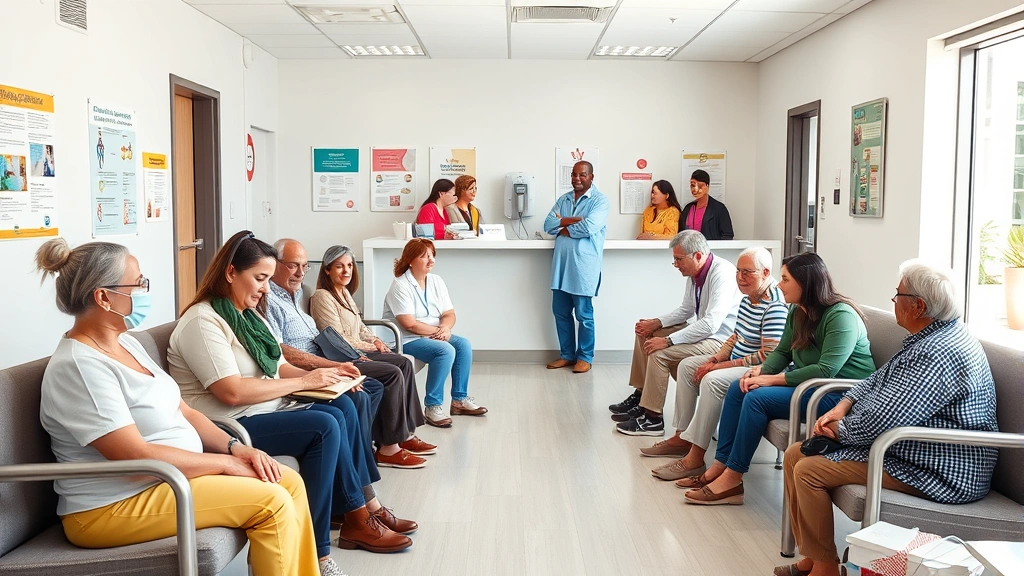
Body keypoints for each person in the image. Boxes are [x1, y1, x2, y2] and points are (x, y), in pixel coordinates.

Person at [33, 238, 325, 576]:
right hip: (111, 506)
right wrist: (223, 465)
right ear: (103, 297)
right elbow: (134, 458)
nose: (145, 290)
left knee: (288, 481)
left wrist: (235, 449)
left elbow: (184, 411)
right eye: (138, 283)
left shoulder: (127, 343)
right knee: (270, 501)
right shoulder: (80, 367)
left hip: (163, 483)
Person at [167, 230, 414, 561]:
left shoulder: (247, 316)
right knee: (323, 426)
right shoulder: (203, 321)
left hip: (264, 409)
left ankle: (362, 509)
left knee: (342, 403)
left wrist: (329, 376)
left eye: (268, 279)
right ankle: (319, 551)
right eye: (260, 278)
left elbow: (280, 367)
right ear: (230, 273)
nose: (267, 288)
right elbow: (232, 391)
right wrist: (306, 381)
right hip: (230, 424)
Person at [779, 261, 998, 576]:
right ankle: (816, 558)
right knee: (794, 454)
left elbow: (888, 421)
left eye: (898, 296)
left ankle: (825, 569)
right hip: (907, 449)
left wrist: (839, 431)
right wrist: (844, 404)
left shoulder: (938, 351)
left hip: (939, 469)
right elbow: (878, 379)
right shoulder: (929, 336)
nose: (893, 301)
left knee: (809, 469)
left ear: (918, 305)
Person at [677, 252, 876, 505]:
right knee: (739, 388)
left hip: (838, 396)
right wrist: (762, 371)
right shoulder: (797, 310)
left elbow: (826, 370)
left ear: (806, 283)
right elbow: (782, 351)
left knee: (757, 398)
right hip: (809, 388)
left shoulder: (841, 316)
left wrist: (771, 380)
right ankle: (720, 466)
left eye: (785, 279)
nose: (780, 285)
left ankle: (733, 479)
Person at [644, 247, 789, 481]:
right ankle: (682, 436)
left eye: (747, 272)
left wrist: (719, 367)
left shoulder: (774, 305)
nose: (740, 277)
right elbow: (735, 335)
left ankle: (695, 457)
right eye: (738, 271)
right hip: (735, 361)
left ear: (765, 272)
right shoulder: (749, 297)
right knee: (687, 366)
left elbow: (768, 356)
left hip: (758, 369)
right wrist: (717, 357)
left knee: (711, 380)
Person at [307, 243, 435, 468]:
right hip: (344, 357)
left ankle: (404, 435)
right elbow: (336, 338)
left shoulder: (344, 293)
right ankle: (388, 448)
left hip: (359, 351)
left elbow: (360, 327)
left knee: (404, 363)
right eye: (339, 266)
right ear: (327, 269)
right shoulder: (322, 297)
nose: (346, 271)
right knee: (393, 373)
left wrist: (374, 340)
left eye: (349, 265)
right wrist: (368, 347)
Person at [611, 230, 741, 436]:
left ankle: (653, 419)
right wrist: (656, 322)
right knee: (645, 332)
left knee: (659, 351)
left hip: (720, 340)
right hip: (705, 333)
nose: (676, 265)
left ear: (698, 255)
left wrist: (669, 341)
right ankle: (642, 394)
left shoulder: (722, 273)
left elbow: (711, 324)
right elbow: (686, 310)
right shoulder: (695, 273)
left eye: (679, 259)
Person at [382, 238, 487, 427]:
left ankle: (459, 400)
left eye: (432, 255)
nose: (431, 260)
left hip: (433, 334)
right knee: (445, 350)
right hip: (405, 339)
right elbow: (410, 324)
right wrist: (439, 331)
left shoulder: (436, 281)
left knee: (463, 344)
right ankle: (432, 406)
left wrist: (446, 328)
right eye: (424, 256)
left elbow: (449, 313)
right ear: (410, 260)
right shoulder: (400, 285)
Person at [542, 160, 610, 374]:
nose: (577, 179)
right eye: (574, 174)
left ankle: (585, 357)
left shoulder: (600, 201)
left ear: (591, 176)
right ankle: (567, 355)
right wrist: (574, 220)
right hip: (561, 267)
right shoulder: (563, 199)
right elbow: (547, 225)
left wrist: (563, 224)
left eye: (582, 175)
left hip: (583, 267)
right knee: (560, 312)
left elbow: (589, 226)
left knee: (584, 315)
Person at [680, 169, 733, 240]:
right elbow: (680, 234)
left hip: (711, 250)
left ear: (707, 186)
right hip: (689, 250)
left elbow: (727, 235)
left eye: (700, 186)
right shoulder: (688, 208)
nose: (696, 189)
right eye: (693, 185)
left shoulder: (719, 209)